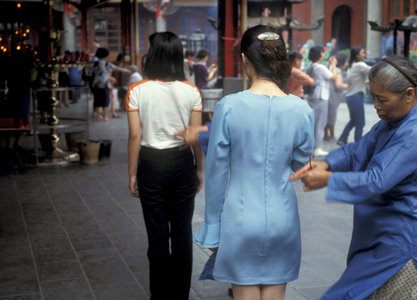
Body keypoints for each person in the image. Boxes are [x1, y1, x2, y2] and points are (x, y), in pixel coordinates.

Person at [290, 56, 417, 300]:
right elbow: (355, 150)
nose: (377, 106)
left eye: (382, 100)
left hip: (404, 244)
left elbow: (376, 180)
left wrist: (327, 179)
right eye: (375, 99)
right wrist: (326, 162)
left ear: (409, 95)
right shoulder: (388, 124)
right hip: (380, 238)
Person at [193, 25, 315, 300]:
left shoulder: (229, 106)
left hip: (240, 216)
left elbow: (215, 173)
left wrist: (212, 225)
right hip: (284, 218)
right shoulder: (302, 110)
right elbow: (302, 166)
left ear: (245, 60)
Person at [126, 31, 203, 300]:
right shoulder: (191, 91)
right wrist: (200, 169)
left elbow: (135, 136)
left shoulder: (137, 90)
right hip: (182, 162)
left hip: (150, 163)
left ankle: (159, 295)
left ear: (152, 56)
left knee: (157, 233)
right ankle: (180, 294)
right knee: (182, 231)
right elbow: (194, 137)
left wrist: (132, 172)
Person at [306, 46, 337, 157]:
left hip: (313, 97)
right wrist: (333, 65)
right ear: (319, 54)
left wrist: (328, 65)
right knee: (320, 123)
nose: (324, 54)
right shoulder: (319, 67)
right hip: (321, 97)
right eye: (322, 53)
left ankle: (313, 147)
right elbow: (333, 77)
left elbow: (324, 74)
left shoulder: (312, 66)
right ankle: (317, 148)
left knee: (314, 123)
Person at [337, 46, 371, 145]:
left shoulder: (351, 66)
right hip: (356, 97)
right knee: (360, 122)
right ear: (357, 55)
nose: (364, 54)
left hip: (350, 97)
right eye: (362, 53)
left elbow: (355, 81)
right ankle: (358, 144)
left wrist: (365, 82)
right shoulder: (360, 65)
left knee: (354, 120)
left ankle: (342, 139)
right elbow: (374, 70)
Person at [92, 47, 130, 121]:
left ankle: (98, 116)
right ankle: (105, 116)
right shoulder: (106, 64)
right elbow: (116, 68)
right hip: (104, 85)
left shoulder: (95, 63)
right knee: (105, 101)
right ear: (105, 56)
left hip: (96, 85)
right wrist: (126, 70)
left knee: (97, 101)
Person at [324, 53, 349, 140]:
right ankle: (331, 135)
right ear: (341, 62)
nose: (347, 64)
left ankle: (326, 134)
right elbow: (339, 85)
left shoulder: (331, 68)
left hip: (328, 95)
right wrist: (350, 85)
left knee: (327, 115)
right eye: (346, 62)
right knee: (332, 115)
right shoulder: (338, 71)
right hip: (333, 96)